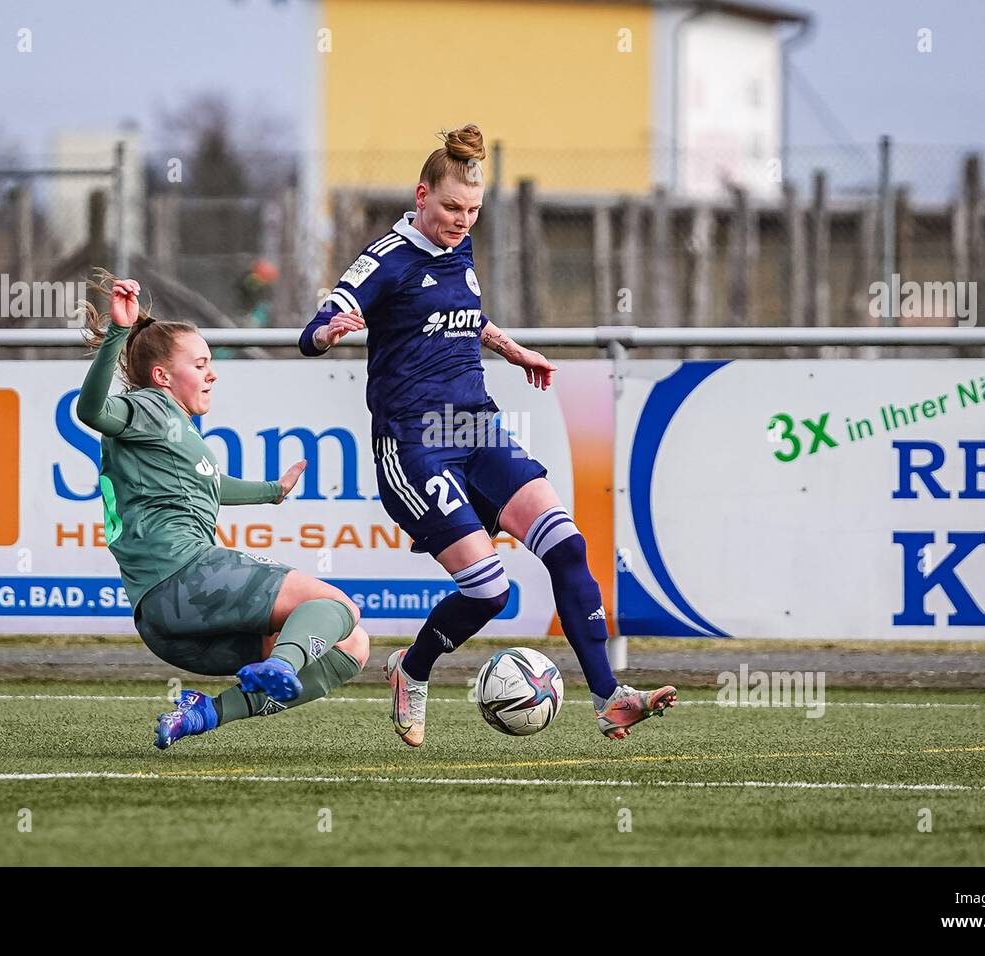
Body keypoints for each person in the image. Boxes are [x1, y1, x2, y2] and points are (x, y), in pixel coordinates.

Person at [299, 125, 676, 746]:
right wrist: (328, 331)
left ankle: (610, 697)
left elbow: (460, 315)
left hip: (476, 426)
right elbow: (314, 326)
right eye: (450, 207)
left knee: (568, 546)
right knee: (490, 590)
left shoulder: (459, 246)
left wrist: (511, 347)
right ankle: (411, 669)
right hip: (413, 442)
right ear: (421, 195)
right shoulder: (387, 258)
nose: (461, 221)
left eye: (472, 211)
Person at [77, 272, 369, 750]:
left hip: (167, 624)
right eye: (201, 363)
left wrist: (272, 490)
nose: (212, 373)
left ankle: (205, 713)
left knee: (350, 647)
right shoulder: (150, 406)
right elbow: (91, 412)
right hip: (185, 576)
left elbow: (212, 485)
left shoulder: (175, 429)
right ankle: (279, 666)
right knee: (338, 607)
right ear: (162, 377)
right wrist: (115, 333)